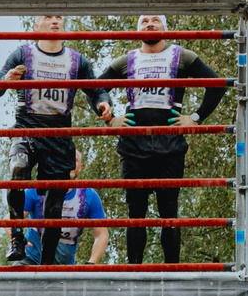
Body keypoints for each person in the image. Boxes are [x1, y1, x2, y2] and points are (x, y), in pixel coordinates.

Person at [96, 13, 229, 264]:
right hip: (134, 145)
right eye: (144, 20)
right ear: (137, 29)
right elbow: (95, 88)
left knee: (169, 213)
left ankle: (172, 273)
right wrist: (110, 118)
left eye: (155, 20)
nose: (149, 24)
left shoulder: (183, 56)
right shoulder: (126, 61)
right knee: (136, 214)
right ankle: (135, 271)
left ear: (164, 27)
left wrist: (196, 117)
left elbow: (217, 84)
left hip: (170, 145)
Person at [0, 15, 106, 266]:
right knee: (17, 169)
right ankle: (17, 238)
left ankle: (48, 264)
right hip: (26, 129)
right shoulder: (22, 54)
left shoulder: (77, 60)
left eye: (59, 17)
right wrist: (7, 81)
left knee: (53, 207)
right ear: (36, 26)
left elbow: (96, 90)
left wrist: (104, 105)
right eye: (48, 17)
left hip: (59, 136)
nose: (54, 21)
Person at [21, 182, 111, 267]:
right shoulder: (35, 190)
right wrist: (17, 238)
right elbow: (10, 220)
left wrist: (91, 263)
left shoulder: (89, 195)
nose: (70, 165)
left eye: (74, 164)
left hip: (64, 266)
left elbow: (102, 234)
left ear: (80, 167)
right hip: (30, 260)